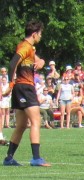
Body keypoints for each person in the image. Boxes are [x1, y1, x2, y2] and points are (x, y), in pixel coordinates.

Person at [2, 20, 50, 166]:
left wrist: (41, 61)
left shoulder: (28, 47)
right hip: (25, 87)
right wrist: (10, 84)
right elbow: (12, 63)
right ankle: (36, 158)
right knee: (36, 121)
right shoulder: (25, 47)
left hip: (21, 88)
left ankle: (9, 158)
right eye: (40, 34)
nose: (41, 37)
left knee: (22, 125)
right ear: (35, 34)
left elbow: (37, 59)